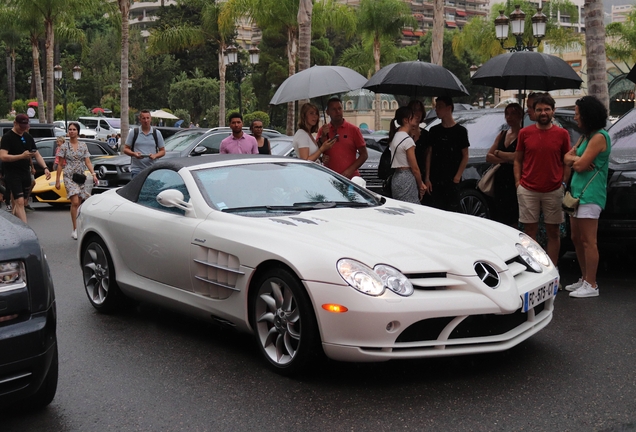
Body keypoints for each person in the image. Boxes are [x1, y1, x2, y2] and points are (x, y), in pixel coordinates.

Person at [514, 93, 571, 266]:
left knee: (553, 232)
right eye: (539, 110)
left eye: (547, 109)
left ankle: (552, 271)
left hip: (554, 190)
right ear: (534, 112)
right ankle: (533, 269)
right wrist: (518, 183)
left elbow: (567, 161)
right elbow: (518, 159)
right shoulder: (525, 133)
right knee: (529, 232)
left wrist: (563, 183)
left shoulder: (562, 134)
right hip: (528, 189)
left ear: (553, 111)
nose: (543, 112)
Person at [563, 96, 611, 298]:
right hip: (576, 195)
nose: (575, 118)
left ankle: (591, 284)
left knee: (588, 241)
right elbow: (567, 158)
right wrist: (576, 158)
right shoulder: (585, 137)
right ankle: (584, 279)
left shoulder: (600, 137)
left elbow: (581, 166)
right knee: (576, 237)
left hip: (590, 195)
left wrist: (576, 161)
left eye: (577, 114)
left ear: (587, 115)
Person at [0, 114, 51, 223]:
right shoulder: (7, 137)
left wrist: (45, 167)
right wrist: (21, 156)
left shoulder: (28, 137)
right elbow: (3, 156)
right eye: (21, 126)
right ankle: (26, 229)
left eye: (25, 126)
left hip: (25, 173)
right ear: (15, 123)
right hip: (12, 173)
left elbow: (36, 154)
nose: (23, 129)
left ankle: (13, 223)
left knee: (20, 202)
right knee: (20, 202)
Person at [424, 96, 469, 212]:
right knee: (435, 210)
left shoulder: (460, 131)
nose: (437, 110)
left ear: (449, 108)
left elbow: (465, 155)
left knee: (452, 211)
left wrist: (457, 177)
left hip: (452, 178)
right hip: (435, 179)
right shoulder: (434, 131)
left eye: (439, 107)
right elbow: (429, 153)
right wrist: (427, 178)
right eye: (436, 107)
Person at [55, 122, 98, 240]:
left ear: (78, 131)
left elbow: (88, 161)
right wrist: (58, 180)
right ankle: (74, 229)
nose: (72, 131)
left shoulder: (83, 145)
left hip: (80, 175)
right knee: (74, 201)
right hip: (69, 175)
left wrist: (93, 174)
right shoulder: (64, 146)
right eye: (70, 129)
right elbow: (60, 164)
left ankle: (79, 227)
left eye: (74, 129)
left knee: (78, 203)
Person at [485, 103, 524, 226]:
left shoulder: (524, 135)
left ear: (520, 116)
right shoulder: (502, 134)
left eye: (513, 113)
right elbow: (489, 156)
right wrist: (506, 159)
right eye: (507, 114)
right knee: (500, 215)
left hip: (516, 179)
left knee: (514, 215)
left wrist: (499, 153)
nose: (509, 117)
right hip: (500, 181)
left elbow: (519, 157)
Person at [317, 97, 367, 179]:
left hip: (351, 179)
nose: (338, 112)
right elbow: (317, 152)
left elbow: (364, 155)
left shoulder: (353, 130)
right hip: (329, 178)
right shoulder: (323, 130)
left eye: (340, 108)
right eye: (333, 109)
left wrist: (350, 170)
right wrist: (322, 157)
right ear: (327, 112)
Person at [388, 107, 426, 203]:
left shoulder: (395, 136)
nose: (416, 118)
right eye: (413, 117)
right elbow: (415, 168)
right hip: (407, 178)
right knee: (412, 208)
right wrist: (420, 184)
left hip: (396, 177)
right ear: (406, 120)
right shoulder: (407, 140)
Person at [123, 109, 166, 178]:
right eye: (143, 118)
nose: (146, 121)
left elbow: (163, 151)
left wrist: (155, 155)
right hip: (137, 170)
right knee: (137, 188)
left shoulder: (156, 133)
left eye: (147, 118)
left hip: (152, 170)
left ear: (150, 119)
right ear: (140, 119)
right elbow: (125, 149)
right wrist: (134, 154)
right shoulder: (134, 132)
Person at [406, 100, 429, 194]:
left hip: (422, 174)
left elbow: (428, 157)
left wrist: (427, 178)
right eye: (414, 110)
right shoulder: (403, 134)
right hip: (407, 175)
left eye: (419, 110)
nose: (417, 113)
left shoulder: (426, 135)